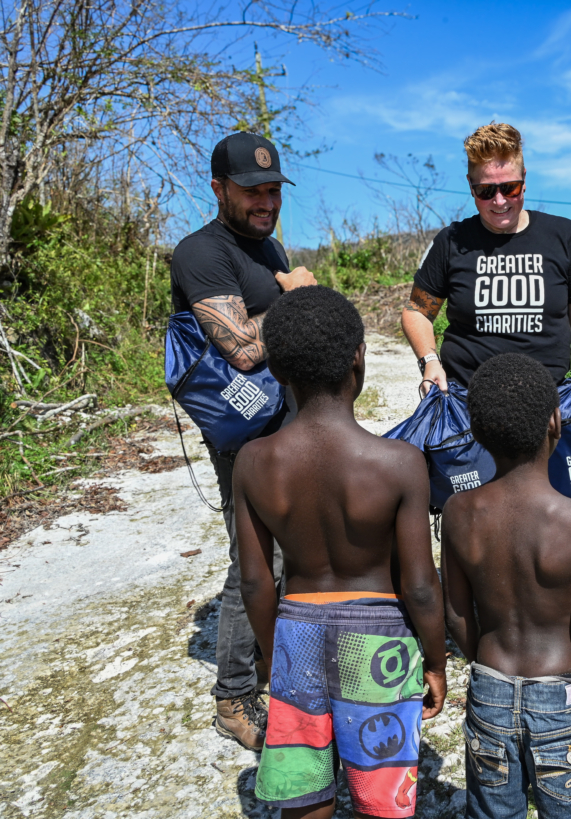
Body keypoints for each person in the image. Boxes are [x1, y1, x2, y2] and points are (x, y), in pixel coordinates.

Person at [234, 286, 447, 819]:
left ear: (278, 372)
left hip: (297, 631)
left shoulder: (254, 462)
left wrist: (270, 651)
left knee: (305, 789)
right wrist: (437, 660)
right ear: (358, 358)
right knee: (383, 794)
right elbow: (420, 585)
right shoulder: (399, 463)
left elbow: (257, 583)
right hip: (379, 638)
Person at [170, 132, 317, 749]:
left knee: (293, 547)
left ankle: (269, 663)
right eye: (252, 191)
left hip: (281, 422)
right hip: (241, 433)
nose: (265, 202)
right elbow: (242, 349)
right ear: (219, 188)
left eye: (273, 191)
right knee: (256, 557)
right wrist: (292, 299)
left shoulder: (269, 246)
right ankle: (233, 697)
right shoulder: (200, 253)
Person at [441, 353, 571, 819]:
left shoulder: (459, 513)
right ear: (555, 421)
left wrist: (484, 666)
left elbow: (456, 614)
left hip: (490, 691)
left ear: (479, 432)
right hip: (562, 704)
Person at [403, 123, 571, 398]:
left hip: (546, 401)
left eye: (510, 188)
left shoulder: (563, 234)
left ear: (524, 178)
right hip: (466, 400)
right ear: (470, 187)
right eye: (486, 191)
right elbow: (417, 311)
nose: (499, 201)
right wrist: (430, 362)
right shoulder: (451, 241)